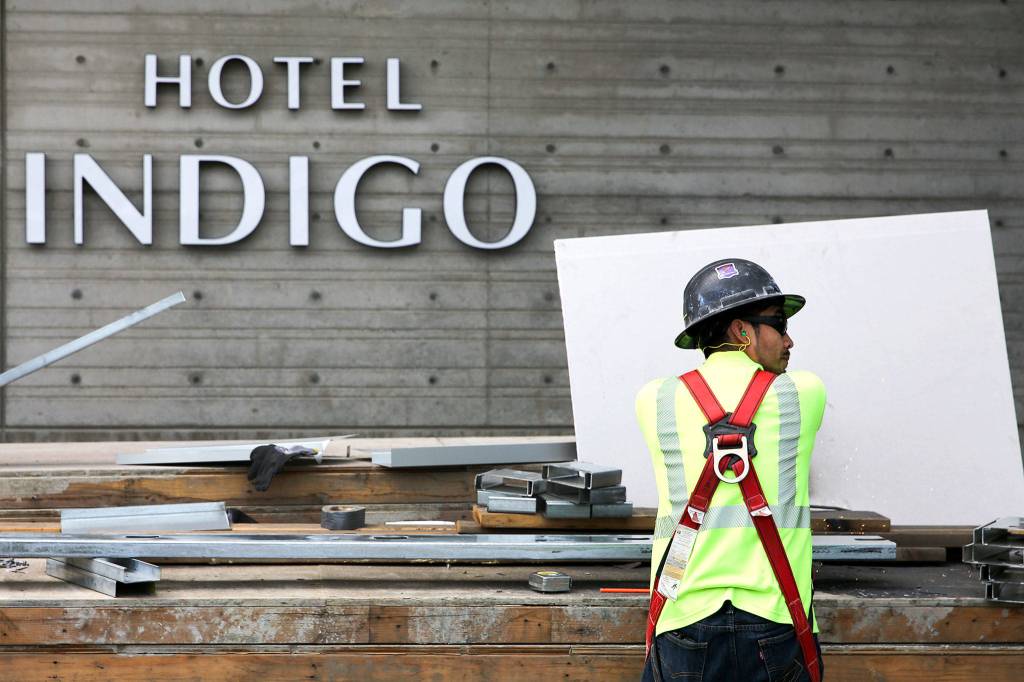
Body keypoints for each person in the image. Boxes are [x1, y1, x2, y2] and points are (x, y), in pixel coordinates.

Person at [635, 258, 826, 681]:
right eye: (778, 323)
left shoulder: (656, 399)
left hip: (683, 620)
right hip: (776, 618)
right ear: (742, 331)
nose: (789, 339)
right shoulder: (804, 393)